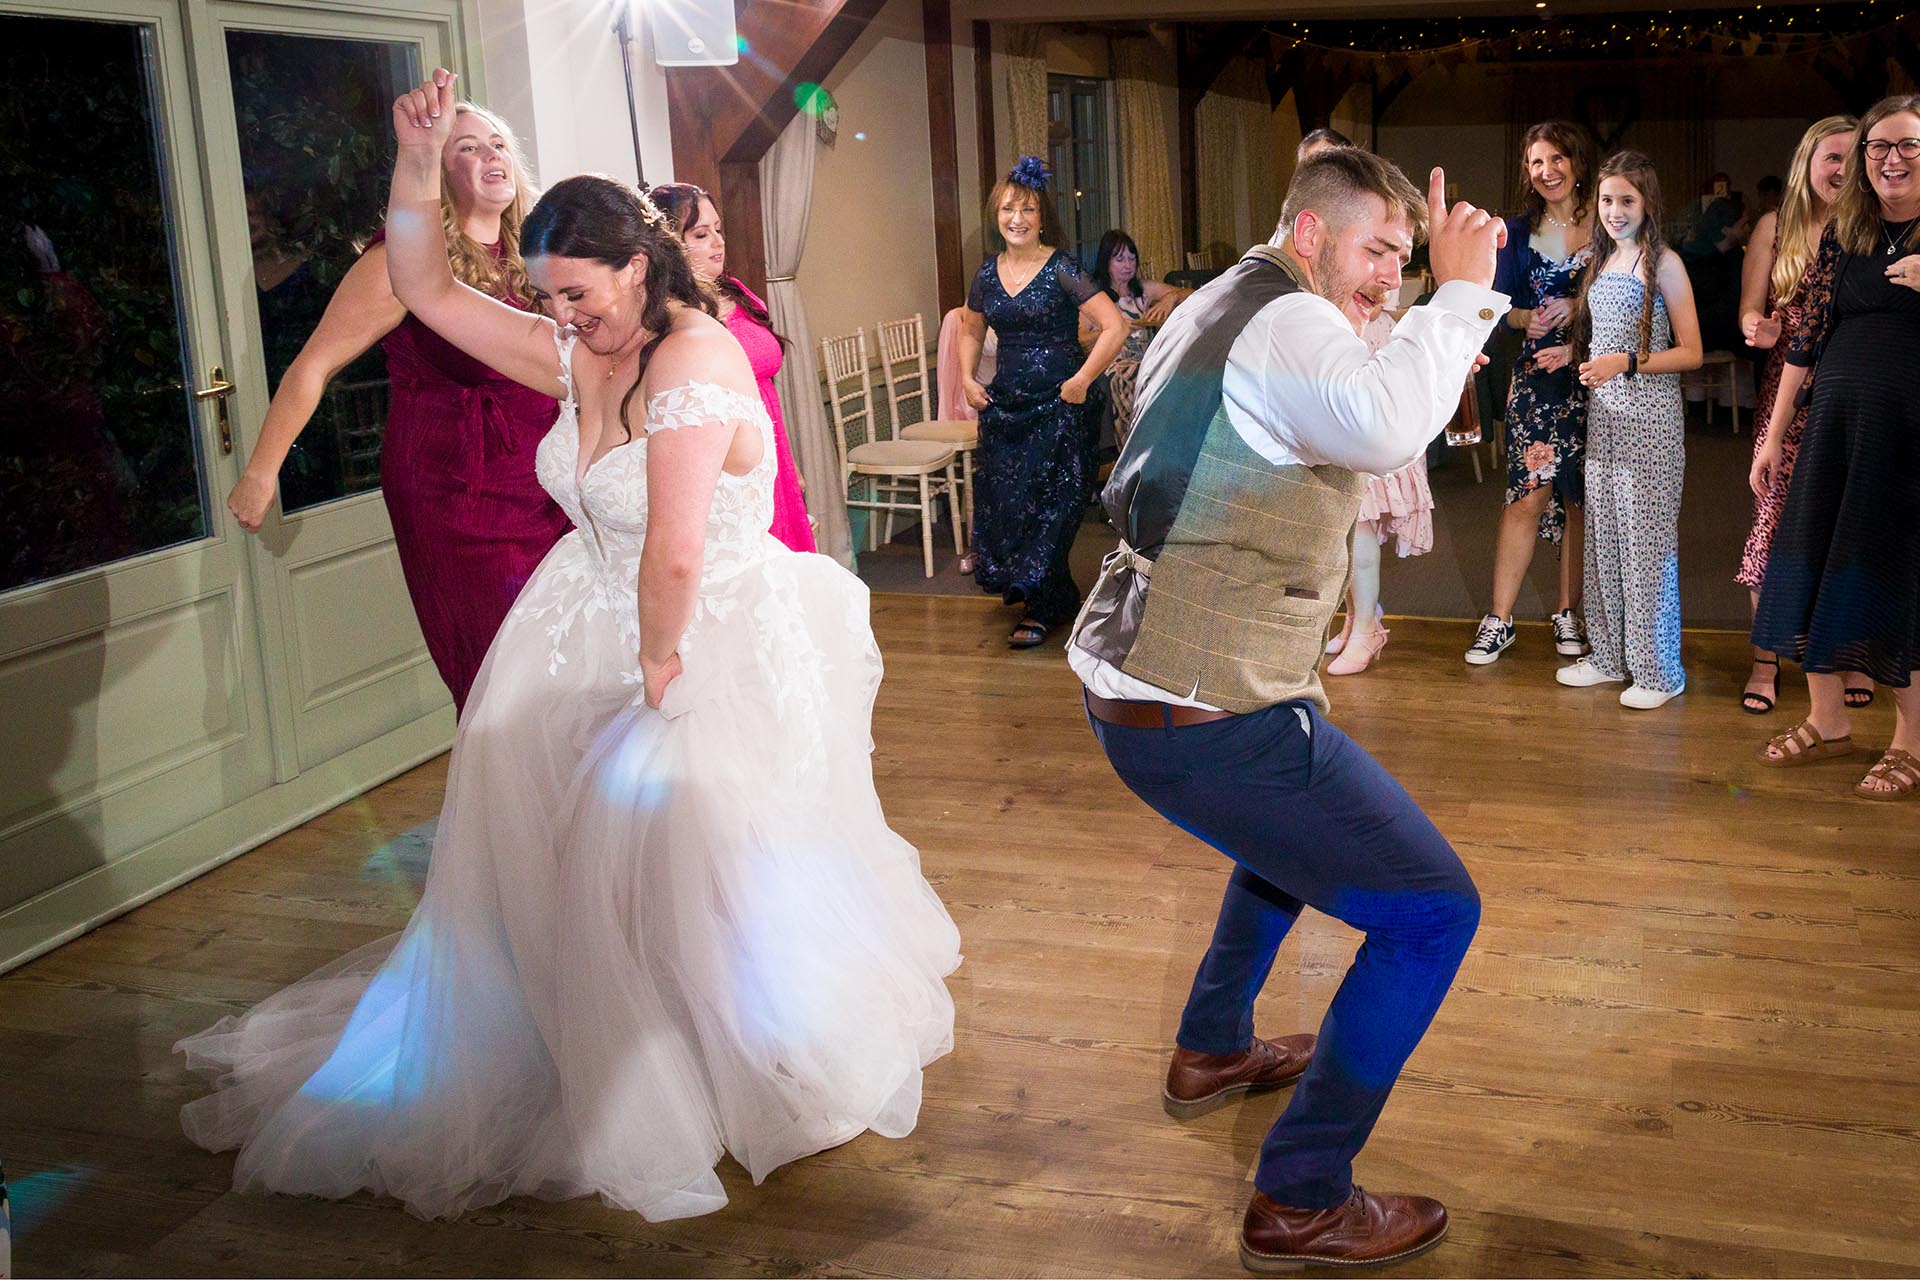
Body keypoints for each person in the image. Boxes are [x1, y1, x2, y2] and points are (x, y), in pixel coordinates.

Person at [175, 70, 960, 1220]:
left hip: (696, 637)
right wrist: (416, 162)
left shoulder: (693, 361)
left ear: (638, 267)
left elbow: (675, 552)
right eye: (549, 299)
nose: (562, 318)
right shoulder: (572, 346)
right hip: (575, 614)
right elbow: (423, 285)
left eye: (578, 295)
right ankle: (572, 1036)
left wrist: (655, 670)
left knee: (689, 866)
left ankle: (716, 1055)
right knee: (560, 863)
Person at [1069, 147, 1502, 1271]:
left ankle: (1212, 1047)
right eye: (1378, 251)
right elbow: (1388, 427)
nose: (1391, 277)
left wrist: (1418, 296)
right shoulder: (1291, 319)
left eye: (1405, 260)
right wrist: (1461, 291)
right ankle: (1301, 1196)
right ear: (1310, 236)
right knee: (1432, 912)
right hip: (1205, 711)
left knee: (1282, 850)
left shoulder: (1226, 293)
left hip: (1146, 684)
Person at [224, 99, 568, 713]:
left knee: (565, 648)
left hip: (547, 477)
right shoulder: (401, 261)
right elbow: (314, 364)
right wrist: (260, 470)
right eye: (467, 148)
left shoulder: (537, 255)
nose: (491, 156)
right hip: (456, 485)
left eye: (498, 144)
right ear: (436, 171)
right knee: (503, 661)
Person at [1751, 94, 1920, 800]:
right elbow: (1808, 337)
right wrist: (1773, 433)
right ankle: (1828, 720)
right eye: (1878, 146)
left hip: (1907, 436)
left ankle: (1911, 741)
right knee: (1814, 563)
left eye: (1908, 145)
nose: (1890, 159)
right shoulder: (1846, 233)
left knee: (1899, 577)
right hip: (1834, 428)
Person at [957, 157, 1125, 648]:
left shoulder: (1063, 269)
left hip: (1061, 406)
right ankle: (1054, 596)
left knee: (1057, 505)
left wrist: (1082, 379)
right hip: (1007, 408)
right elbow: (971, 330)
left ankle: (1041, 606)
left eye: (1028, 209)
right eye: (1008, 209)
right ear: (996, 216)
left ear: (1042, 217)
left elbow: (1115, 327)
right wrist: (966, 377)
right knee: (1014, 507)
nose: (1017, 218)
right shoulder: (986, 275)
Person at [1554, 151, 1703, 710]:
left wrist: (1626, 363)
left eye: (1626, 200)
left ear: (1648, 203)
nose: (1614, 211)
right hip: (1605, 421)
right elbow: (1603, 336)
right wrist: (1578, 354)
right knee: (1605, 538)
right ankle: (1611, 656)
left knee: (1646, 545)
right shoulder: (1602, 259)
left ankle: (1659, 672)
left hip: (1650, 422)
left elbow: (1691, 352)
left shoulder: (1665, 264)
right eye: (1606, 200)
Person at [1292, 130, 1435, 674]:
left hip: (1363, 361)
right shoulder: (1301, 237)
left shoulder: (1373, 235)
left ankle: (1369, 630)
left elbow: (1384, 300)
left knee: (1363, 520)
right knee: (1340, 521)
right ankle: (1357, 617)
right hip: (1320, 372)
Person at [1735, 117, 1861, 714]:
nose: (1842, 169)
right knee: (1773, 523)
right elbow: (1748, 310)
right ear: (1807, 161)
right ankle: (1766, 659)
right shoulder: (1775, 225)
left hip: (1851, 390)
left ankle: (1847, 654)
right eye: (1831, 157)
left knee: (1846, 526)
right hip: (1785, 391)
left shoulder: (1869, 228)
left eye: (1852, 159)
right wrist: (1755, 328)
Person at [1465, 121, 1598, 666]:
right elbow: (1490, 305)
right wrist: (1524, 317)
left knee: (1580, 500)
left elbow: (1637, 292)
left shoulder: (1607, 222)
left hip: (1596, 377)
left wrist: (1580, 307)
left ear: (1578, 162)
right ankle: (1499, 619)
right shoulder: (1516, 233)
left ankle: (1568, 613)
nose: (1547, 171)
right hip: (1537, 382)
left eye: (1557, 158)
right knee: (1526, 496)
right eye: (1537, 162)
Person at [648, 181, 816, 553]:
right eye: (701, 234)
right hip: (727, 464)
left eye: (718, 230)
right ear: (668, 245)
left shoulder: (737, 292)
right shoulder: (671, 316)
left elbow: (766, 391)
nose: (718, 242)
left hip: (771, 450)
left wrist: (789, 462)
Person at [1083, 229, 1191, 450]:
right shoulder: (1094, 298)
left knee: (1180, 369)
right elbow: (1080, 339)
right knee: (1136, 374)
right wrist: (1113, 331)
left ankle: (1174, 442)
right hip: (1115, 363)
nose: (1128, 265)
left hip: (1148, 358)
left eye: (1132, 258)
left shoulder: (1143, 290)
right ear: (1105, 262)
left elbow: (1192, 294)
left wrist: (1170, 298)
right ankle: (1138, 446)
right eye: (1120, 259)